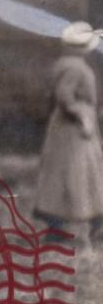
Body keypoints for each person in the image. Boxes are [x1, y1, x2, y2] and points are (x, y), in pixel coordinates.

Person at [33, 21, 103, 243]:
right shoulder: (75, 67)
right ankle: (84, 223)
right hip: (73, 129)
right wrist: (82, 116)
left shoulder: (65, 63)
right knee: (79, 172)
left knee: (73, 172)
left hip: (68, 127)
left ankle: (62, 225)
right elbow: (65, 96)